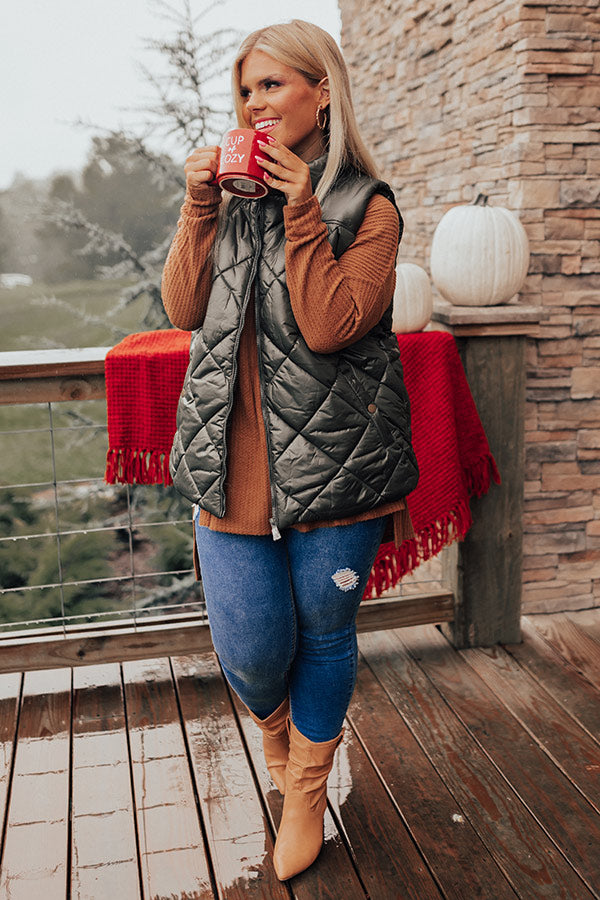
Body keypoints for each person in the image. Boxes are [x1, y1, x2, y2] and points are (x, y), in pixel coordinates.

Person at [161, 19, 419, 881]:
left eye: (271, 85)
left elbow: (331, 324)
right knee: (252, 647)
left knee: (326, 630)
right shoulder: (232, 203)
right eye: (246, 90)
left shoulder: (369, 208)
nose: (254, 104)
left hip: (337, 462)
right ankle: (281, 738)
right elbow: (183, 309)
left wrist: (304, 208)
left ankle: (304, 789)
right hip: (230, 463)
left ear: (323, 93)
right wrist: (200, 206)